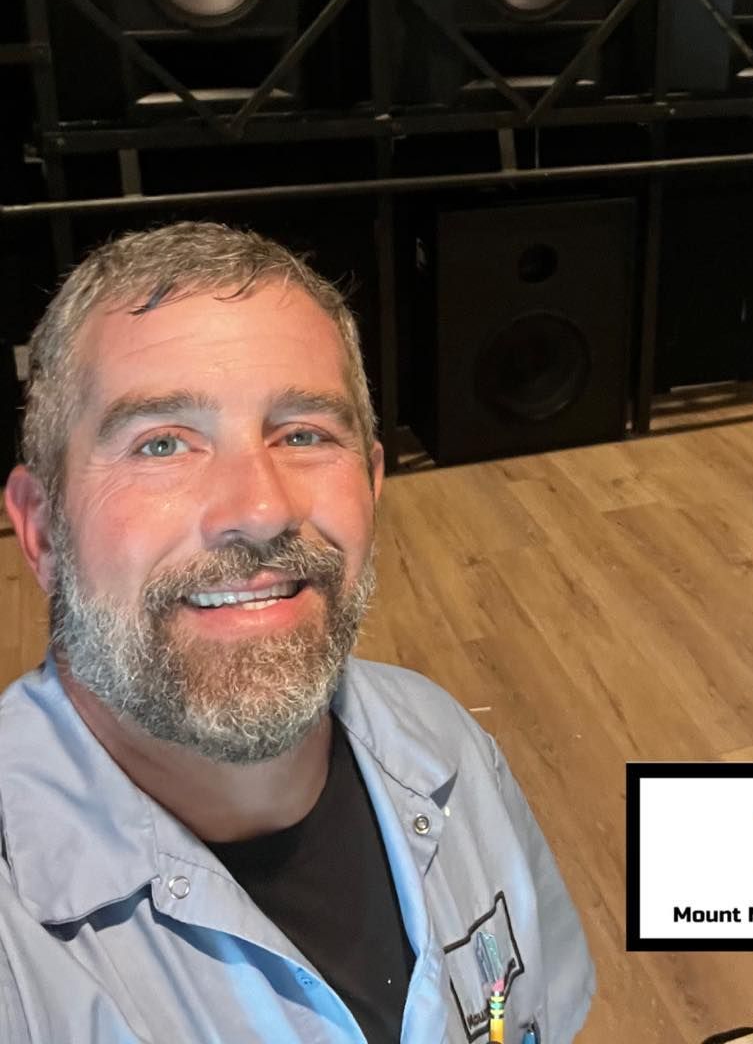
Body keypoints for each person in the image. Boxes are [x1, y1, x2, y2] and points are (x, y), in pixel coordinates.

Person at [0, 220, 595, 1044]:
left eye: (304, 434)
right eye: (162, 443)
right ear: (41, 531)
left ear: (374, 483)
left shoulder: (445, 743)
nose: (260, 507)